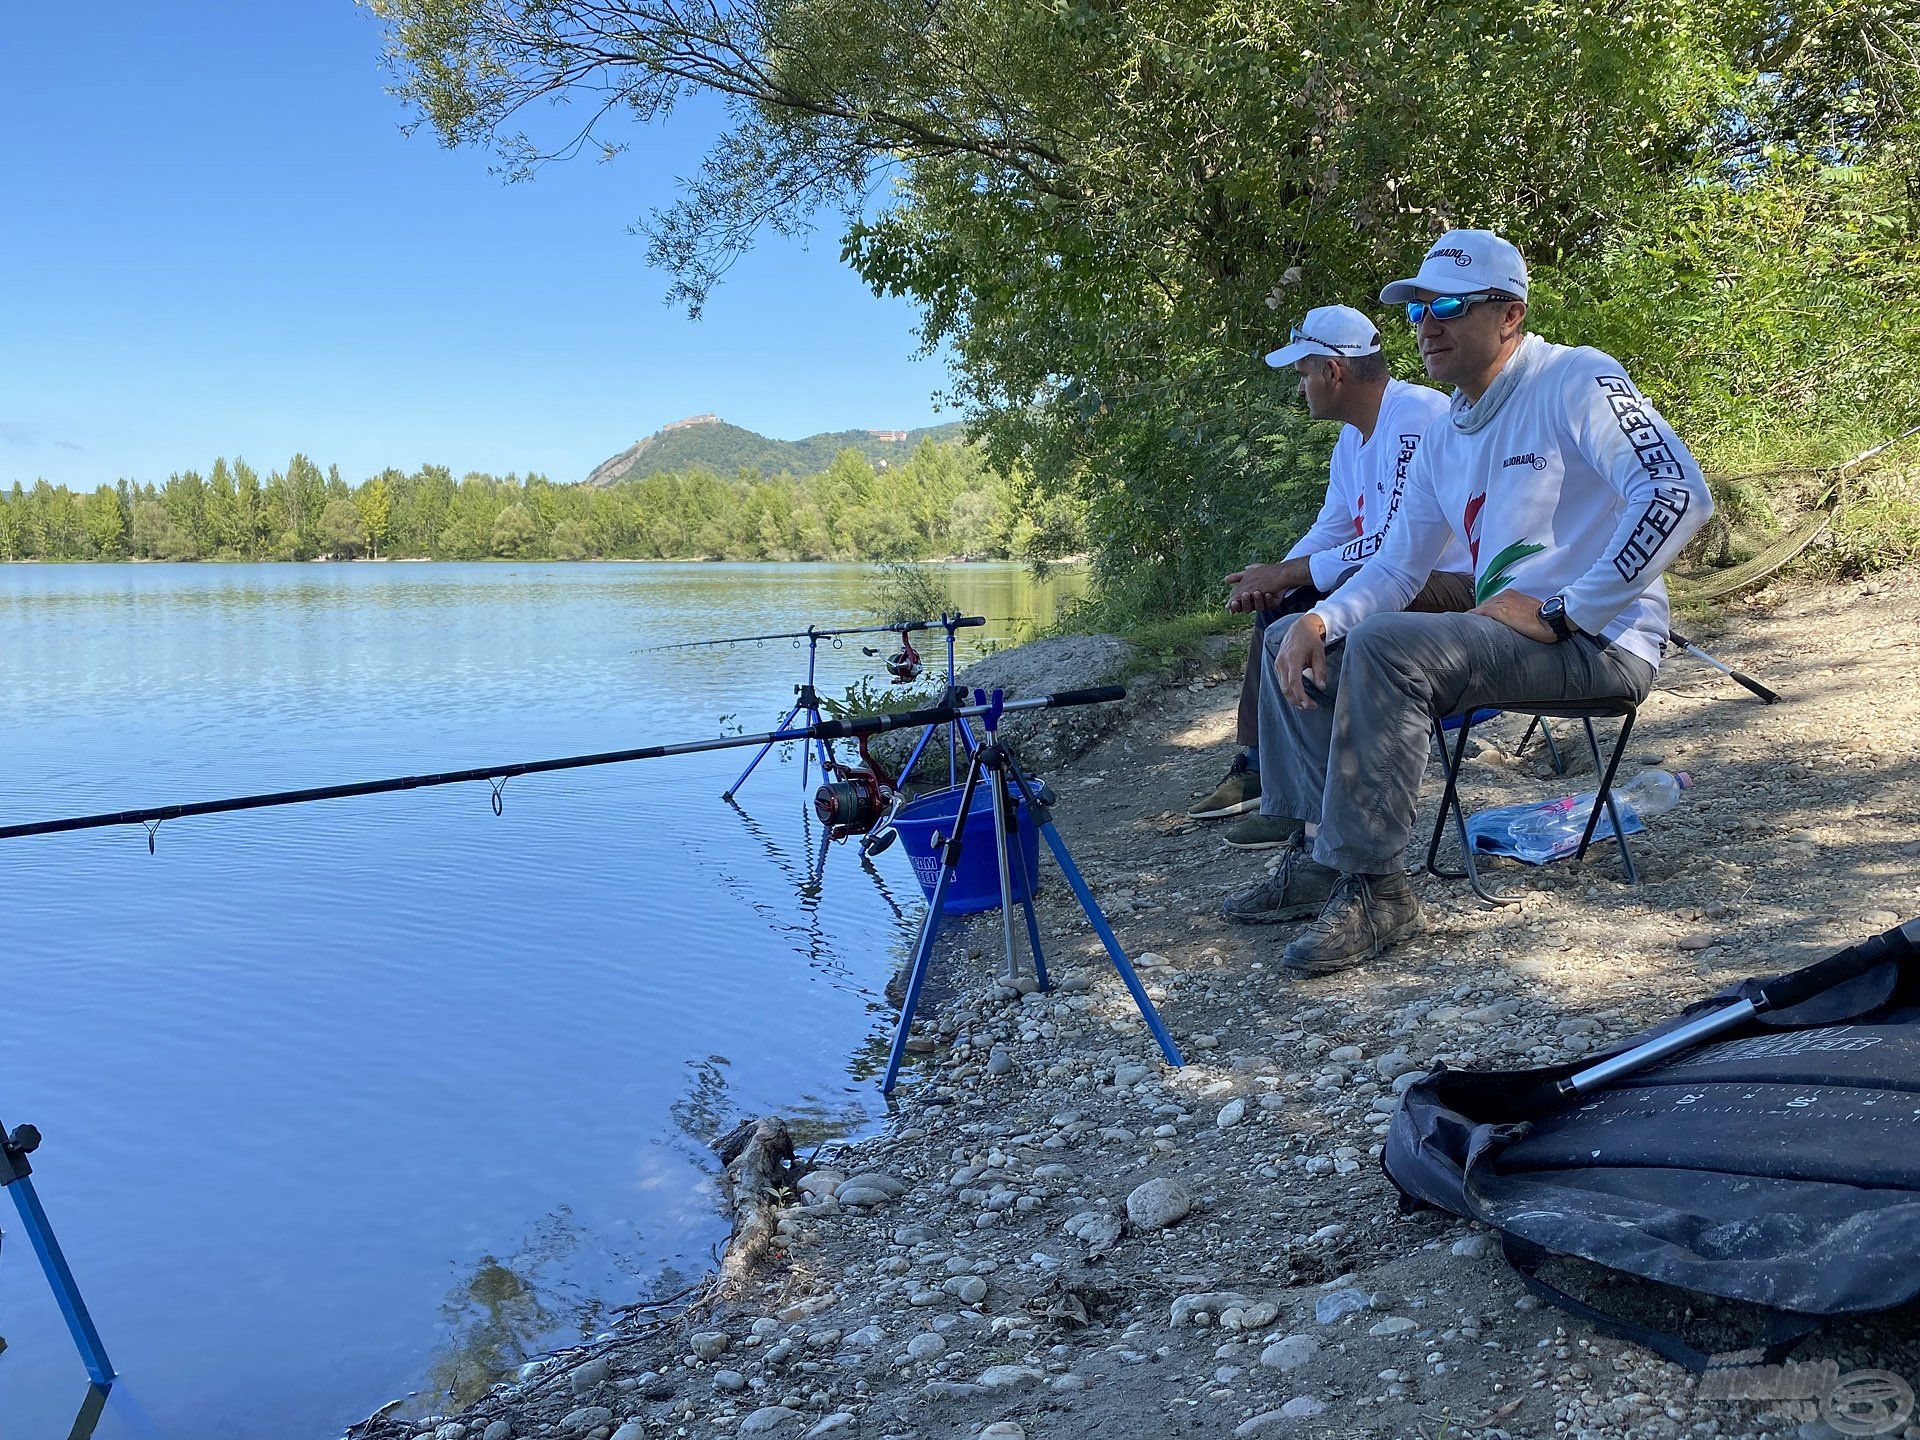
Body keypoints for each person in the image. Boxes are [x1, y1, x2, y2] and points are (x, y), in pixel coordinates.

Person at [1258, 229, 1712, 974]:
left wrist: (1571, 610)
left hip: (1601, 644)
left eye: (1448, 305)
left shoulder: (1574, 380)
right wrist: (1316, 616)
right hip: (1509, 636)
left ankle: (1378, 893)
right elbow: (1398, 568)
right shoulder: (1447, 430)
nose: (1427, 325)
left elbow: (1677, 492)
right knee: (1296, 638)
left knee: (1385, 646)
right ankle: (1320, 856)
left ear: (1510, 315)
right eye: (1415, 311)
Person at [1190, 304, 1475, 852]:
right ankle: (1262, 773)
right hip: (1397, 578)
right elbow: (1330, 530)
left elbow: (1397, 543)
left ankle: (1310, 807)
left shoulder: (1416, 415)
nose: (1300, 389)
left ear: (1333, 371)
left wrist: (1290, 574)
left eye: (1302, 374)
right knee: (1283, 604)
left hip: (1449, 584)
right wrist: (1275, 579)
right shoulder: (1352, 440)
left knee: (1311, 612)